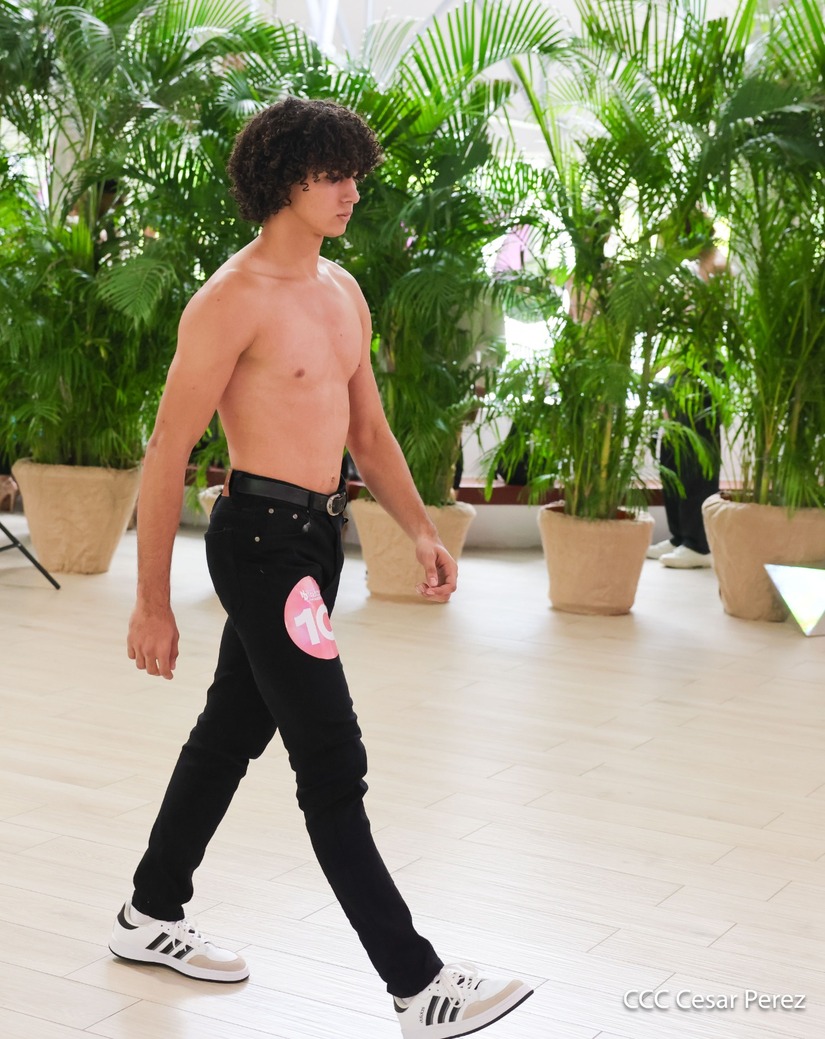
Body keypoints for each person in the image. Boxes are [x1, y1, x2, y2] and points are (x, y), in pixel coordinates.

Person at [108, 97, 533, 1038]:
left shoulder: (342, 291)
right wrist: (150, 603)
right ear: (283, 179)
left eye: (353, 175)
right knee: (332, 758)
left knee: (230, 731)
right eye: (331, 175)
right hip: (259, 543)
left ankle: (150, 910)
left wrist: (420, 529)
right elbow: (167, 449)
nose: (350, 192)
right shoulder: (231, 299)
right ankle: (416, 983)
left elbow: (368, 432)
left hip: (316, 541)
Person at [647, 237, 725, 569]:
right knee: (672, 453)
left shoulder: (717, 267)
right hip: (681, 370)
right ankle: (680, 535)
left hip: (705, 371)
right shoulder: (687, 271)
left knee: (695, 458)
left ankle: (699, 544)